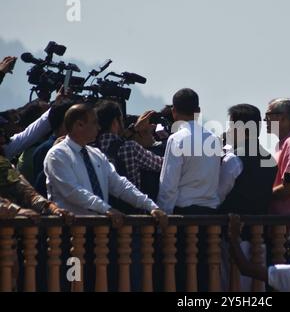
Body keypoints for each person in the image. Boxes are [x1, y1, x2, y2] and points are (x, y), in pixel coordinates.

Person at [44, 103, 166, 221]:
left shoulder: (96, 154)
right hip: (71, 232)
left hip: (99, 231)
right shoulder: (58, 155)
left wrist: (150, 206)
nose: (99, 127)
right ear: (79, 125)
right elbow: (73, 192)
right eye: (94, 122)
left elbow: (119, 184)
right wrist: (106, 209)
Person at [157, 88, 221, 291]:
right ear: (198, 111)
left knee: (182, 276)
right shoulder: (214, 139)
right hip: (210, 215)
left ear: (174, 111)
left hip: (184, 216)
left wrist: (162, 219)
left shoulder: (176, 139)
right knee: (204, 275)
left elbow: (168, 185)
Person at [95, 101, 163, 204]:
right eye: (121, 120)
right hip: (131, 211)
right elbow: (162, 164)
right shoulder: (130, 148)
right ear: (114, 123)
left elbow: (114, 145)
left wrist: (134, 129)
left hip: (102, 211)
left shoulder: (90, 148)